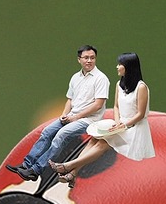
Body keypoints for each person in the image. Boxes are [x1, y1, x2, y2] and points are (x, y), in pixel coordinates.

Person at [8, 46, 110, 179]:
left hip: (89, 120)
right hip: (72, 116)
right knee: (47, 132)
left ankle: (36, 170)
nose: (89, 61)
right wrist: (65, 114)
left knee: (60, 136)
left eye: (92, 58)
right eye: (86, 58)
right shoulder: (75, 78)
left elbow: (98, 105)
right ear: (79, 60)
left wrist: (76, 117)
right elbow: (70, 100)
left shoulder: (101, 79)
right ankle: (26, 165)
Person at [51, 52, 154, 181]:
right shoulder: (119, 84)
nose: (117, 67)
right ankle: (72, 174)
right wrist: (117, 122)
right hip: (120, 124)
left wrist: (124, 125)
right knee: (94, 139)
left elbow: (141, 114)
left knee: (103, 143)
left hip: (134, 128)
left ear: (128, 67)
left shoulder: (141, 87)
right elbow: (116, 106)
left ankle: (68, 166)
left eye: (120, 65)